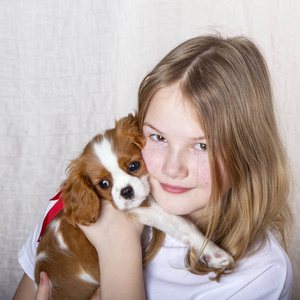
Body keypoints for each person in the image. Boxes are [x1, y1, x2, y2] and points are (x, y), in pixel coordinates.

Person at [13, 34, 293, 300]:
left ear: (249, 152)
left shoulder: (259, 274)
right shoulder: (82, 208)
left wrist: (119, 250)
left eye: (203, 145)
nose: (173, 169)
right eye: (158, 137)